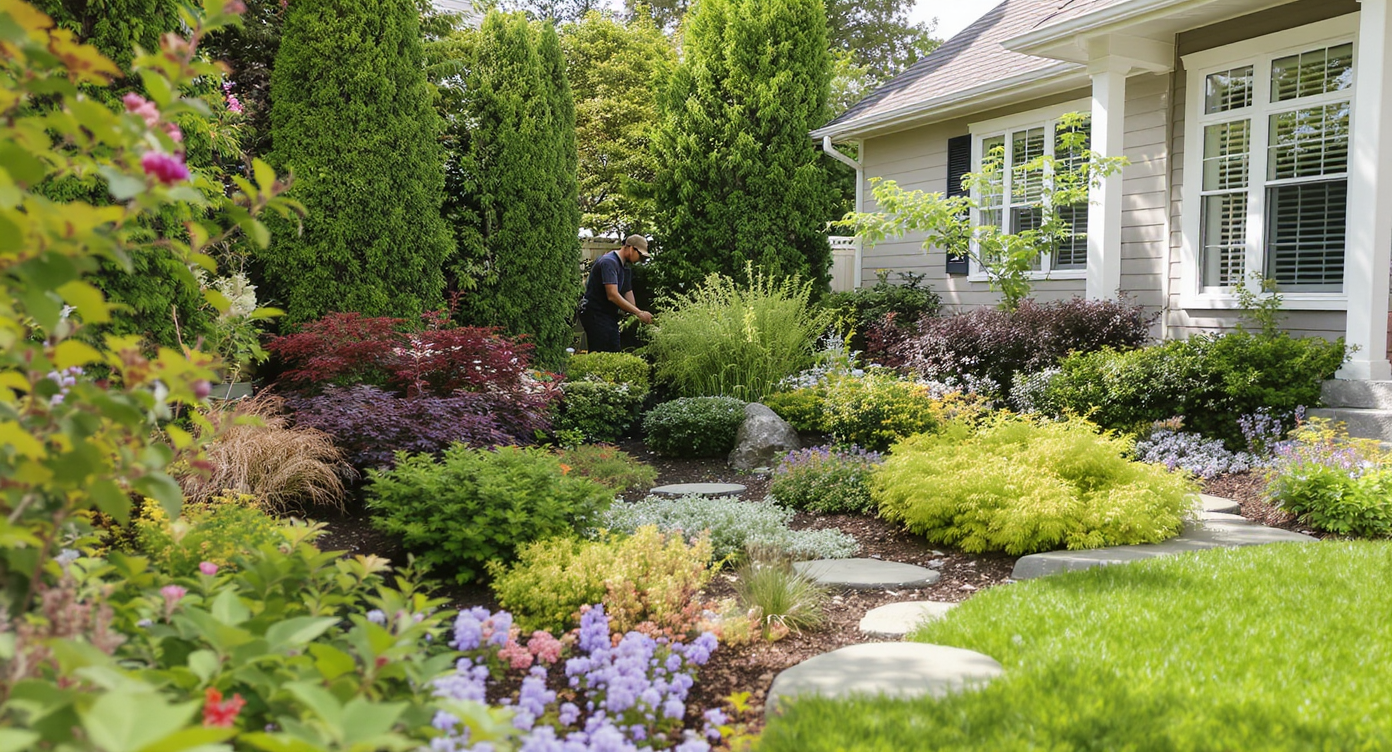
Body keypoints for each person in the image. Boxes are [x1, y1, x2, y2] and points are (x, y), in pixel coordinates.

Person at [579, 234, 654, 352]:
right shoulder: (609, 262)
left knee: (614, 351)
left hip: (609, 317)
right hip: (596, 314)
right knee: (600, 355)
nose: (640, 260)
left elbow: (629, 296)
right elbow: (612, 295)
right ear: (630, 248)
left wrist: (640, 315)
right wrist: (639, 313)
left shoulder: (625, 268)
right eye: (640, 255)